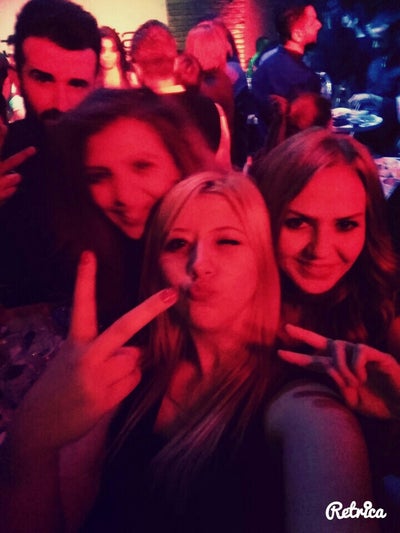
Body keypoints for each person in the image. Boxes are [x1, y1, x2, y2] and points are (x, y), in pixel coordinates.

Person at [0, 171, 376, 532]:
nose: (199, 265)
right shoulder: (123, 377)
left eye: (227, 242)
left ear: (263, 261)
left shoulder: (305, 409)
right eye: (177, 244)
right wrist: (31, 440)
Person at [251, 128, 400, 516]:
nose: (320, 250)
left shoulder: (386, 310)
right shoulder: (232, 303)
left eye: (346, 225)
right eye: (297, 222)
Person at [48, 88, 217, 325]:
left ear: (180, 163)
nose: (124, 197)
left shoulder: (229, 251)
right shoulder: (88, 259)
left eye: (142, 166)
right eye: (99, 176)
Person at [0, 0, 100, 306]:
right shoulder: (4, 155)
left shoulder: (121, 154)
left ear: (96, 82)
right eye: (43, 79)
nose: (61, 103)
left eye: (77, 84)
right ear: (17, 76)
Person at [251, 3, 322, 115]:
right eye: (312, 22)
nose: (319, 25)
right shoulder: (303, 77)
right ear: (297, 35)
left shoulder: (267, 63)